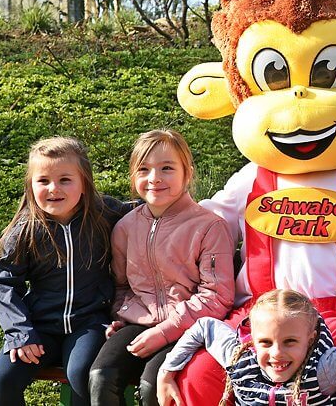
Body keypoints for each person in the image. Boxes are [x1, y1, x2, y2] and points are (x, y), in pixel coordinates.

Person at [88, 129, 234, 405]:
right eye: (144, 169)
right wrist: (123, 313)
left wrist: (165, 331)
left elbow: (218, 296)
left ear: (187, 173)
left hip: (189, 328)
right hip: (139, 324)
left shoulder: (210, 227)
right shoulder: (126, 227)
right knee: (101, 375)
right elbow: (121, 286)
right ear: (133, 177)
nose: (154, 178)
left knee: (151, 386)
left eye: (167, 168)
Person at [0, 137, 134, 406]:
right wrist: (21, 333)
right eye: (43, 181)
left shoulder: (104, 214)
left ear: (84, 183)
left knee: (81, 375)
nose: (53, 188)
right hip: (39, 326)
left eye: (65, 179)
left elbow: (147, 212)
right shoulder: (25, 230)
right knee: (3, 381)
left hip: (89, 323)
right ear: (31, 187)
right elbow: (2, 282)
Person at [157, 289, 336, 406]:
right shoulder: (239, 359)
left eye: (290, 342)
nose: (276, 354)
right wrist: (166, 372)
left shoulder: (324, 370)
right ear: (252, 339)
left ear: (309, 339)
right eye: (265, 342)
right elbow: (204, 327)